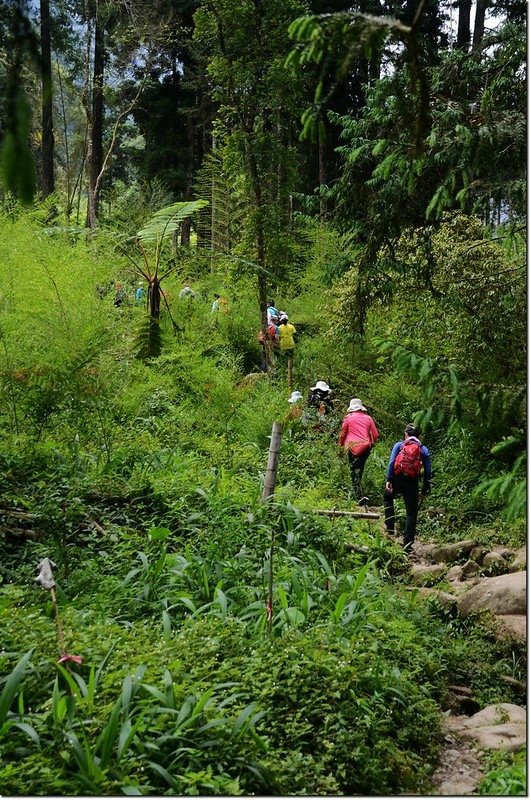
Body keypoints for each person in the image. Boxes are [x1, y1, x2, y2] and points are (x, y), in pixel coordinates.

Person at [384, 423, 432, 552]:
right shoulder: (423, 449)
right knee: (411, 513)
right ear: (419, 436)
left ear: (406, 434)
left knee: (388, 497)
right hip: (412, 482)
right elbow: (428, 471)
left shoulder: (399, 445)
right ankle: (407, 544)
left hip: (397, 478)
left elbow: (391, 462)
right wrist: (426, 487)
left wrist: (389, 479)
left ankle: (389, 527)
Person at [338, 398, 379, 502]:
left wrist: (340, 444)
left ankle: (357, 494)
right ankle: (359, 492)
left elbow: (343, 433)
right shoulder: (368, 418)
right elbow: (375, 434)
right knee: (360, 469)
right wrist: (371, 444)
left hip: (351, 447)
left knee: (353, 470)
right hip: (365, 447)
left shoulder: (348, 418)